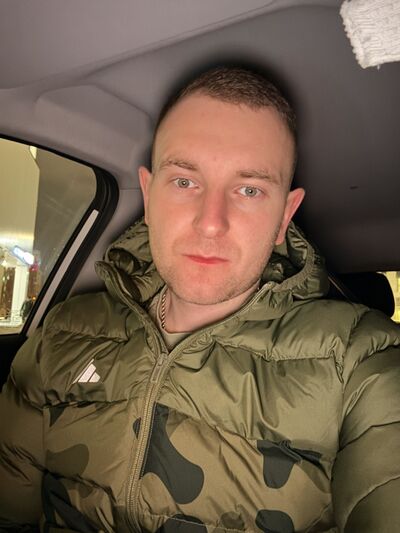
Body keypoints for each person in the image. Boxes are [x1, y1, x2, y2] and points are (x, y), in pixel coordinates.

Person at [0, 66, 399, 533]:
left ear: (284, 217)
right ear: (149, 194)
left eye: (249, 190)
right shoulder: (62, 334)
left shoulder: (359, 363)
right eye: (185, 182)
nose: (211, 222)